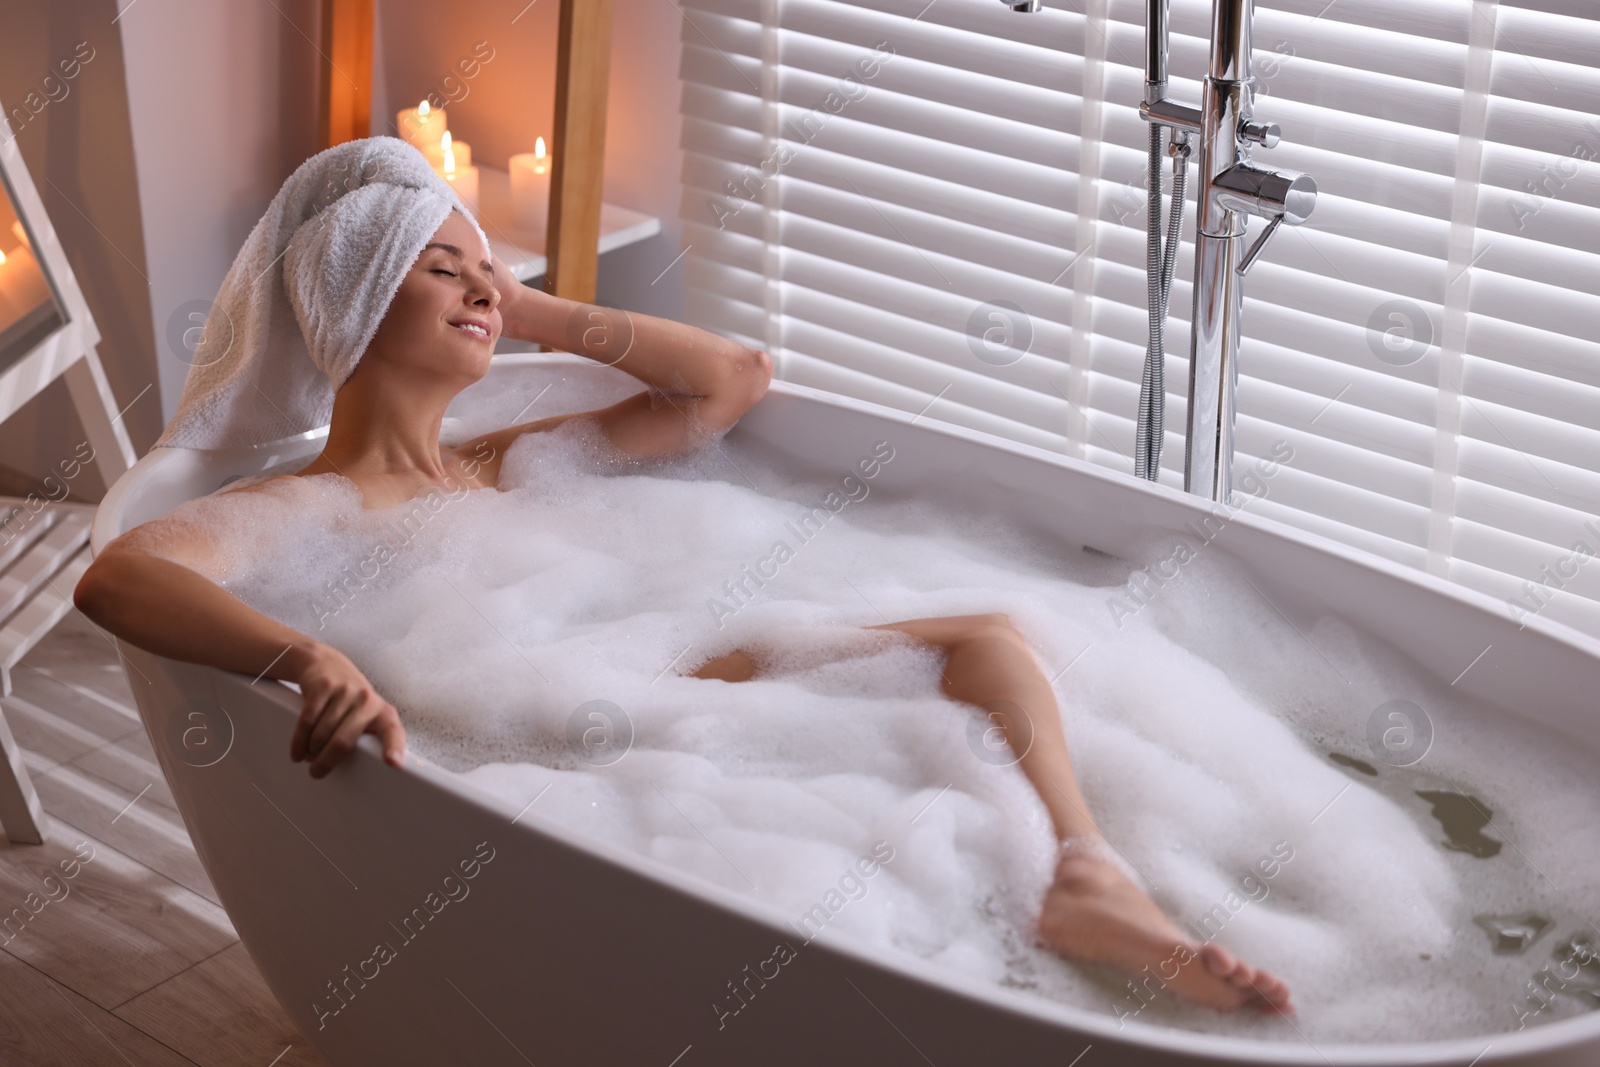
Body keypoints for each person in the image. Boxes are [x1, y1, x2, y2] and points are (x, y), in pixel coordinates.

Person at [75, 200, 1292, 1019]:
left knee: (986, 636)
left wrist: (530, 309)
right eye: (439, 269)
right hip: (547, 722)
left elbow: (732, 377)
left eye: (484, 266)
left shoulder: (508, 455)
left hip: (638, 661)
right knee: (937, 684)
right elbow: (123, 571)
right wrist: (306, 651)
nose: (479, 288)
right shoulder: (312, 503)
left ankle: (1083, 864)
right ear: (349, 309)